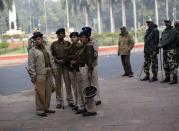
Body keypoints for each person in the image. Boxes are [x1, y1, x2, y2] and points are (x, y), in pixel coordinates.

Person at [27, 32, 56, 117]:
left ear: (42, 39)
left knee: (48, 91)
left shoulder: (47, 48)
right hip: (40, 73)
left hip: (49, 71)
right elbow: (31, 64)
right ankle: (40, 110)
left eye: (39, 39)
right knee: (40, 92)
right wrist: (33, 76)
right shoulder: (32, 51)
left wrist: (54, 71)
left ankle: (46, 108)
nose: (37, 40)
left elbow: (52, 60)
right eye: (35, 39)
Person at [50, 28, 74, 109]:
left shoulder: (68, 44)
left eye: (62, 33)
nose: (60, 35)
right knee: (58, 84)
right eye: (59, 33)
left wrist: (66, 60)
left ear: (64, 35)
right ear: (57, 35)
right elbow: (52, 55)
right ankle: (59, 101)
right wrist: (57, 60)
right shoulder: (53, 44)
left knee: (68, 83)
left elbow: (71, 54)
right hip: (58, 66)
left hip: (66, 65)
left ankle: (70, 100)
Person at [78, 30, 97, 116]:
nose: (81, 39)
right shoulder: (83, 46)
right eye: (80, 37)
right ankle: (88, 107)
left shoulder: (88, 46)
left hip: (86, 69)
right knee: (84, 89)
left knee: (88, 89)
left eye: (83, 37)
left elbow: (90, 61)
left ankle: (91, 109)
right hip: (82, 68)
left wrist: (90, 72)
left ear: (87, 38)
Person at [66, 32, 86, 113]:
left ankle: (83, 105)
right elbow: (66, 57)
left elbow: (81, 57)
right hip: (71, 69)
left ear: (78, 38)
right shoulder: (69, 47)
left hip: (78, 69)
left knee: (80, 88)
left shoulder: (81, 46)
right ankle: (77, 104)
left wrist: (74, 60)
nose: (73, 38)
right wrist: (71, 59)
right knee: (74, 88)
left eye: (74, 37)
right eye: (71, 37)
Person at [82, 27, 101, 106]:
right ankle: (87, 99)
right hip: (84, 65)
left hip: (92, 65)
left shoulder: (93, 42)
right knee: (86, 82)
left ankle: (97, 99)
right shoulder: (82, 42)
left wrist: (91, 64)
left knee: (94, 82)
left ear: (89, 33)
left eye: (86, 32)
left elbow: (95, 53)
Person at [159, 19, 178, 84]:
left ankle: (174, 79)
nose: (166, 23)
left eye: (168, 22)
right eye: (165, 22)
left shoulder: (174, 31)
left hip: (171, 50)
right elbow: (161, 39)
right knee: (165, 64)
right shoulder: (164, 31)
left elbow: (170, 40)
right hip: (165, 50)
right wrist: (160, 43)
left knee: (172, 64)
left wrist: (162, 44)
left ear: (170, 23)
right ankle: (167, 77)